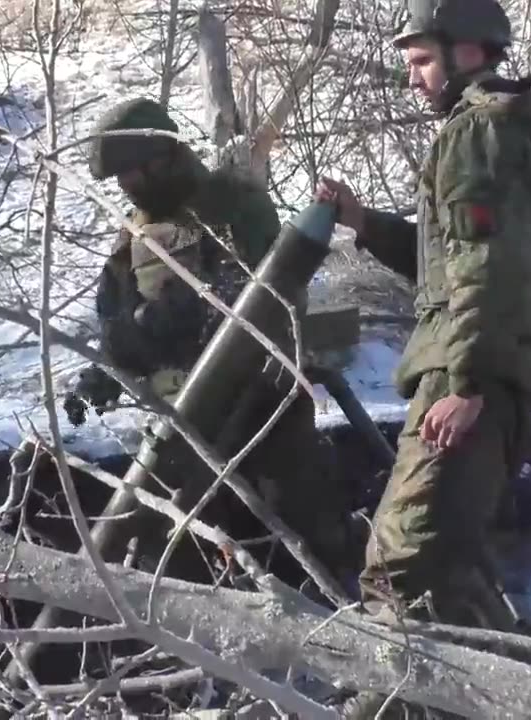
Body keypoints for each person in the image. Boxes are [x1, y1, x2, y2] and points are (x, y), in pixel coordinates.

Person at [317, 0, 531, 633]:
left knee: (401, 567)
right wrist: (365, 223)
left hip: (469, 374)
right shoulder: (502, 133)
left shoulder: (474, 133)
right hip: (494, 370)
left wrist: (467, 385)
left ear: (467, 52)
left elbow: (485, 266)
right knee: (449, 571)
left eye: (422, 60)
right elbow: (452, 261)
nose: (413, 78)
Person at [71, 96, 357, 582]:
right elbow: (117, 325)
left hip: (259, 409)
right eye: (121, 179)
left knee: (308, 543)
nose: (128, 187)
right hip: (181, 421)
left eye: (134, 173)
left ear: (164, 156)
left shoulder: (233, 206)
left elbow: (275, 295)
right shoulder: (133, 239)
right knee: (168, 556)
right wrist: (105, 373)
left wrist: (191, 311)